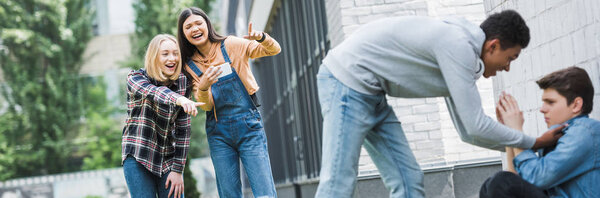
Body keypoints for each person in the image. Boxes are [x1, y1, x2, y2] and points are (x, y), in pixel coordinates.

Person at [315, 10, 565, 197]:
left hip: (372, 94)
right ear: (493, 45)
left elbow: (468, 132)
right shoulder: (458, 46)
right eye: (509, 58)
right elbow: (476, 126)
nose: (507, 68)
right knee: (338, 182)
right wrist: (534, 142)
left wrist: (524, 150)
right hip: (346, 82)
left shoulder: (462, 52)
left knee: (409, 180)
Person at [176, 7, 281, 198]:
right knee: (229, 193)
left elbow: (273, 49)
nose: (195, 29)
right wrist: (205, 86)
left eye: (198, 23)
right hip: (219, 134)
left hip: (248, 126)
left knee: (264, 190)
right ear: (183, 34)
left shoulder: (231, 44)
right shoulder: (188, 66)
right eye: (188, 26)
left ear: (207, 25)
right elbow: (207, 106)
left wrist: (262, 37)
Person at [480, 67, 600, 198]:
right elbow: (516, 177)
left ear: (576, 105)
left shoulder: (586, 132)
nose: (542, 109)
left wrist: (517, 132)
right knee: (488, 186)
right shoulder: (559, 134)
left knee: (501, 182)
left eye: (550, 102)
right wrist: (509, 132)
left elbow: (537, 177)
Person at [121, 34, 202, 198]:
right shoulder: (136, 78)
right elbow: (154, 92)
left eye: (175, 53)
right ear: (154, 57)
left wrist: (178, 170)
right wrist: (179, 99)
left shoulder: (182, 83)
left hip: (168, 159)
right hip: (138, 155)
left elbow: (183, 131)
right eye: (165, 54)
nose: (172, 58)